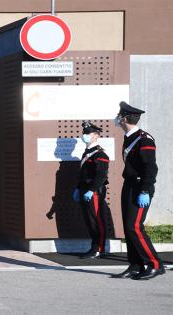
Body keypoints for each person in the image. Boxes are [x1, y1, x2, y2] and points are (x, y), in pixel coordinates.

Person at [111, 101, 165, 280]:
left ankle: (155, 264)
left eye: (120, 116)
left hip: (142, 187)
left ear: (125, 118)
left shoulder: (144, 139)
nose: (117, 119)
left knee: (135, 226)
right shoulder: (130, 136)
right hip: (130, 185)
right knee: (128, 228)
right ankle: (135, 265)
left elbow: (151, 168)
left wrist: (145, 190)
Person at [73, 122, 110, 259]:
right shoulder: (87, 152)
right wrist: (78, 188)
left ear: (95, 136)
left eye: (87, 134)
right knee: (89, 220)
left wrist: (92, 190)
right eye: (84, 133)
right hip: (84, 189)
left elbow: (101, 175)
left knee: (96, 220)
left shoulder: (99, 154)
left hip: (93, 191)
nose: (84, 136)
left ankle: (99, 249)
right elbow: (83, 174)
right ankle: (94, 247)